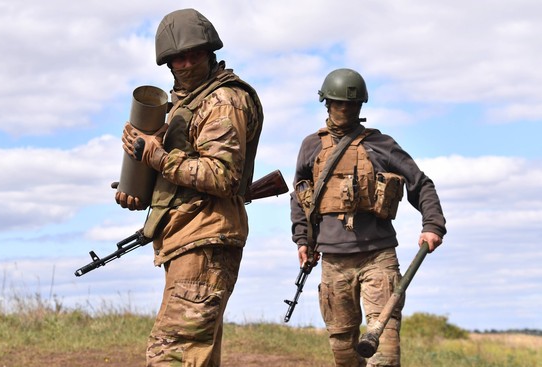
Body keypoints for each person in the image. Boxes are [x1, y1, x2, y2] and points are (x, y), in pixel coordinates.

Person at [115, 8, 263, 366]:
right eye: (177, 57)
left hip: (205, 239)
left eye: (193, 53)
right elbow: (185, 176)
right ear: (166, 63)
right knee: (194, 357)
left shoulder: (222, 100)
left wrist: (158, 158)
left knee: (171, 356)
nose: (185, 63)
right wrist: (140, 188)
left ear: (209, 51)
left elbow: (223, 175)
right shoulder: (187, 103)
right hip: (187, 239)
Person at [290, 68, 446, 367]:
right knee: (343, 351)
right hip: (333, 262)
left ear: (361, 106)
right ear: (326, 103)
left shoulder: (381, 144)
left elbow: (420, 183)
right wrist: (302, 239)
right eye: (338, 103)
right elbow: (299, 196)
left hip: (378, 258)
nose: (345, 109)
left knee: (383, 351)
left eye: (352, 104)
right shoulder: (311, 146)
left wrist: (432, 225)